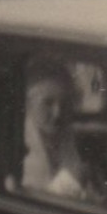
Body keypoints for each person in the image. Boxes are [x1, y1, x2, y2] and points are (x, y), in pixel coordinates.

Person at [19, 61, 90, 199]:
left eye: (65, 103)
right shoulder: (11, 141)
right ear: (28, 104)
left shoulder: (63, 135)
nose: (58, 113)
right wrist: (69, 182)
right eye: (47, 103)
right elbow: (27, 208)